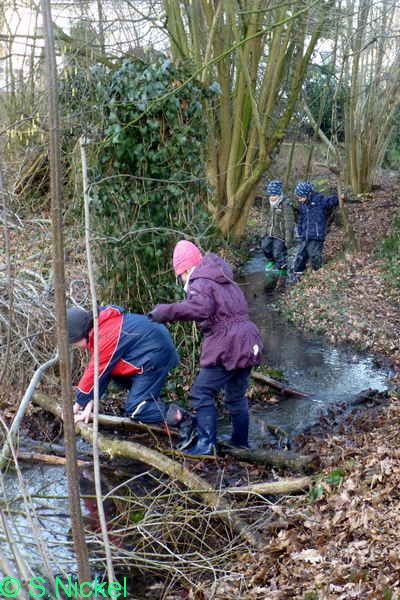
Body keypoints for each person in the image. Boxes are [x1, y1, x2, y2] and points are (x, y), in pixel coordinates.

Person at [148, 241, 263, 457]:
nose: (182, 280)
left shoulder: (200, 280)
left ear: (186, 269)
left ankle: (206, 444)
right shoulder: (223, 277)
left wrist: (166, 311)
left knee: (201, 392)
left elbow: (201, 308)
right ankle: (240, 442)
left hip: (227, 343)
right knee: (236, 397)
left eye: (181, 275)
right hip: (248, 340)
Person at [66, 304, 193, 446]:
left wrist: (78, 403)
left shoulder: (106, 333)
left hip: (155, 355)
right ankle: (150, 403)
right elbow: (102, 372)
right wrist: (88, 404)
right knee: (114, 376)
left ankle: (183, 418)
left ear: (80, 333)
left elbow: (96, 370)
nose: (75, 345)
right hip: (149, 351)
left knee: (136, 409)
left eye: (74, 341)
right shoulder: (102, 325)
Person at [291, 181, 339, 278]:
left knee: (314, 255)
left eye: (301, 197)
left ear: (308, 194)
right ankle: (297, 273)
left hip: (316, 235)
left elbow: (331, 201)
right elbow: (301, 219)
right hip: (305, 235)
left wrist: (339, 197)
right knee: (300, 256)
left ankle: (318, 273)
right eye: (298, 198)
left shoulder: (320, 200)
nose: (300, 200)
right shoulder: (303, 205)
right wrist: (300, 231)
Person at [261, 179, 295, 280]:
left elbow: (289, 223)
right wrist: (263, 231)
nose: (272, 197)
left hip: (281, 234)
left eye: (274, 195)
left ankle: (282, 269)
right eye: (270, 195)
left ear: (279, 194)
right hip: (269, 232)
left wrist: (288, 240)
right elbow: (265, 218)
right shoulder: (267, 203)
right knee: (265, 247)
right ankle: (271, 260)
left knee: (278, 253)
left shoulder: (285, 204)